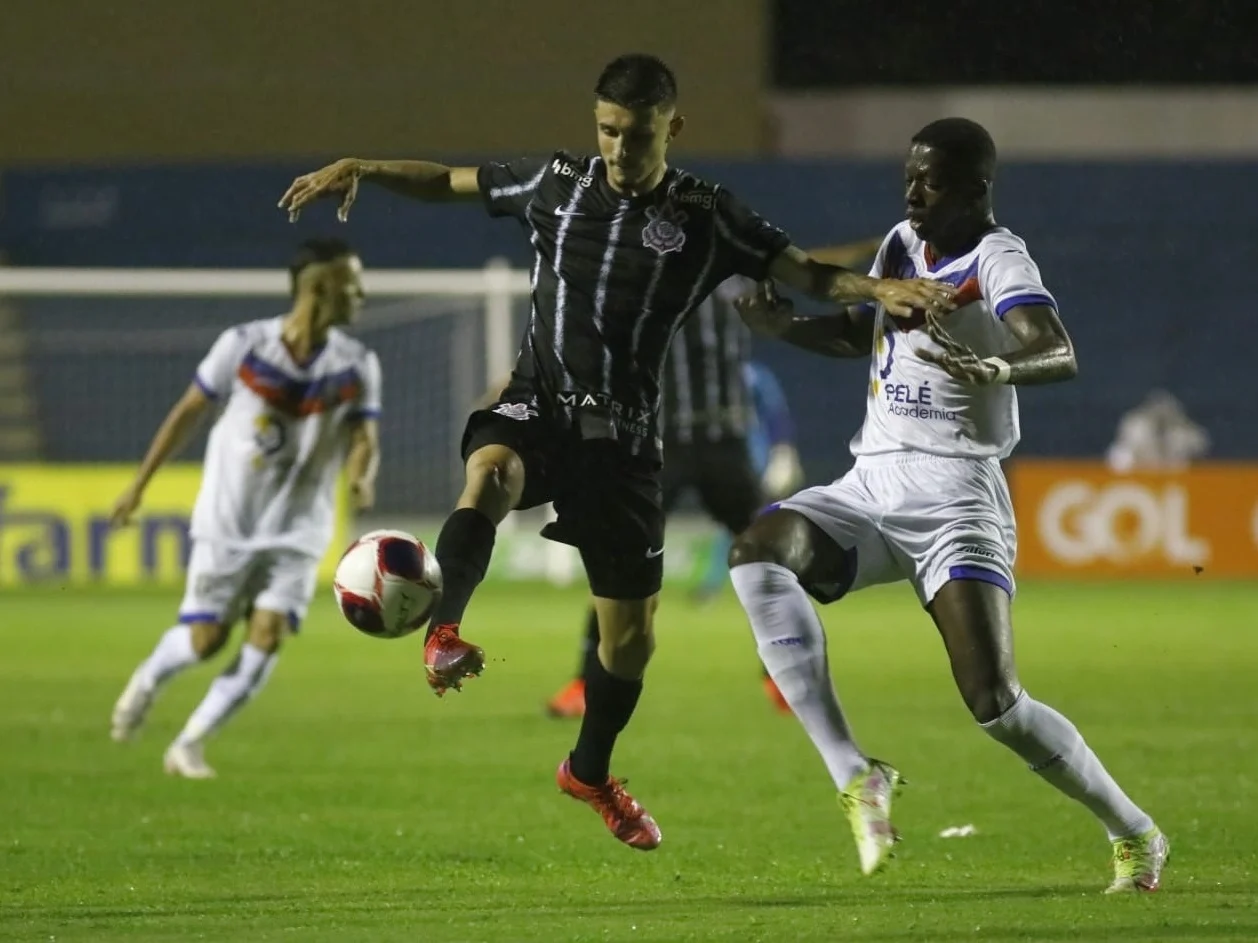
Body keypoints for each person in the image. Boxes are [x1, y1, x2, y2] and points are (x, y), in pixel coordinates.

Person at [278, 54, 955, 851]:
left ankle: (590, 773)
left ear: (674, 127)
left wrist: (877, 290)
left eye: (635, 135)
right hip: (542, 400)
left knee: (627, 642)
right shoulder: (554, 184)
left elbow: (801, 270)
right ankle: (443, 631)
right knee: (490, 472)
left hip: (626, 440)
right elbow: (449, 181)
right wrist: (366, 166)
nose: (618, 150)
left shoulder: (707, 214)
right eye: (605, 130)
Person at [728, 117, 1168, 893]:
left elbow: (1055, 347)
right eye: (909, 174)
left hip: (958, 496)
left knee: (995, 704)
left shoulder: (998, 256)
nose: (911, 190)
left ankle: (1134, 830)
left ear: (974, 189)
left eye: (929, 179)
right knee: (758, 555)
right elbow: (861, 334)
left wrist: (997, 364)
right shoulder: (900, 242)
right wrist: (783, 326)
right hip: (870, 484)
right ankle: (856, 772)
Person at [109, 238, 381, 779]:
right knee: (206, 640)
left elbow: (364, 437)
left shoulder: (357, 363)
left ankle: (189, 742)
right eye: (352, 283)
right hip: (229, 521)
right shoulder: (243, 346)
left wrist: (362, 477)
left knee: (268, 633)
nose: (362, 294)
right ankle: (147, 679)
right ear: (318, 287)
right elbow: (188, 412)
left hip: (300, 529)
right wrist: (139, 484)